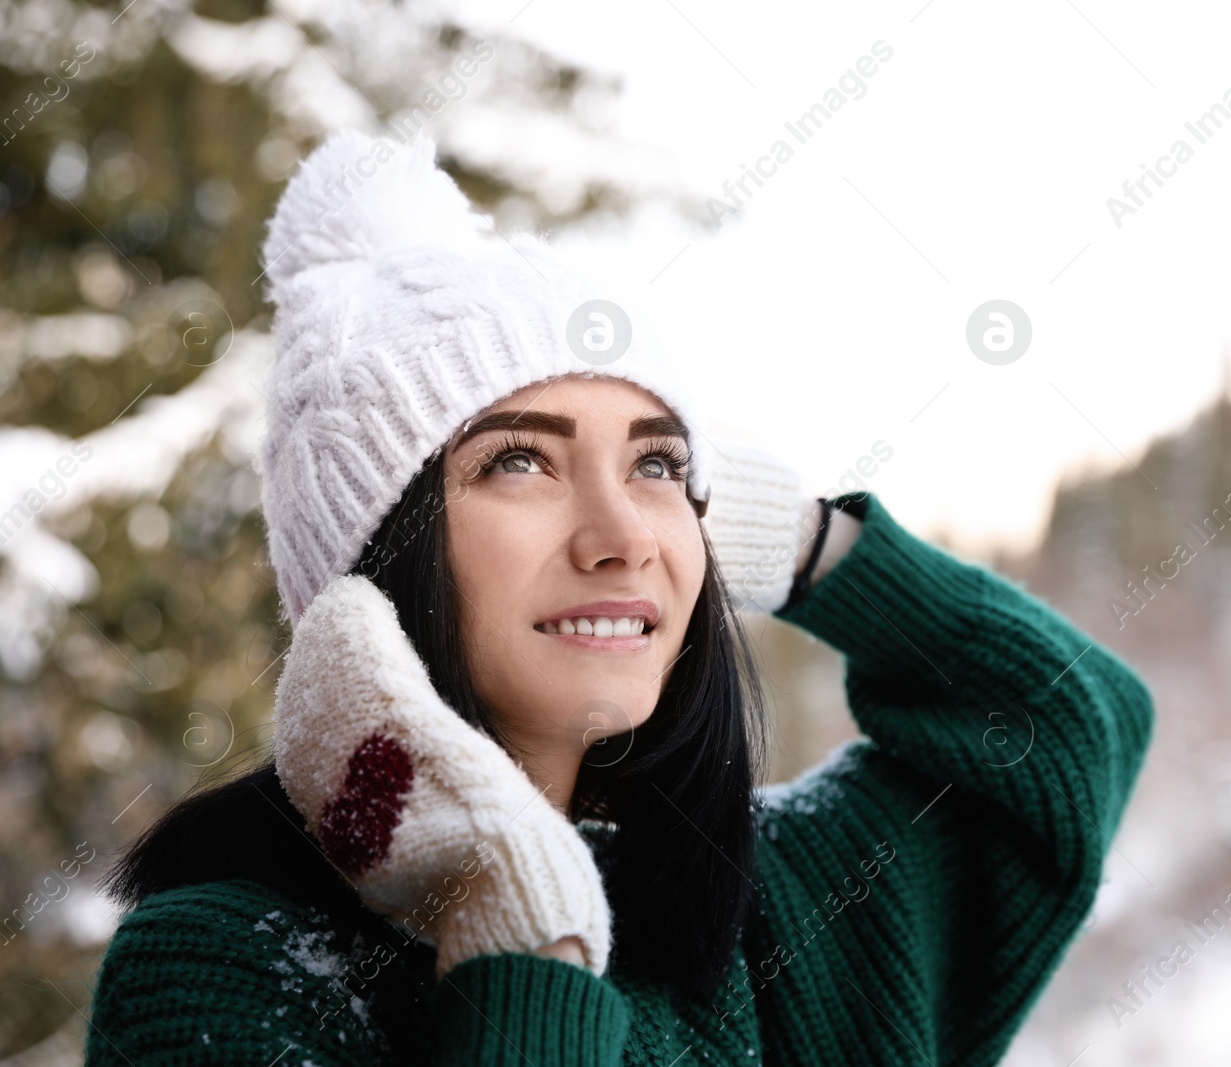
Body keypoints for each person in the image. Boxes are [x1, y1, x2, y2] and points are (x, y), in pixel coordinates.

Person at [85, 130, 1155, 1065]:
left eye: (655, 467)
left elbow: (1065, 729)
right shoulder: (230, 967)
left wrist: (799, 539)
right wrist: (523, 940)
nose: (624, 539)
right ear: (371, 561)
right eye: (519, 464)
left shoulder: (762, 917)